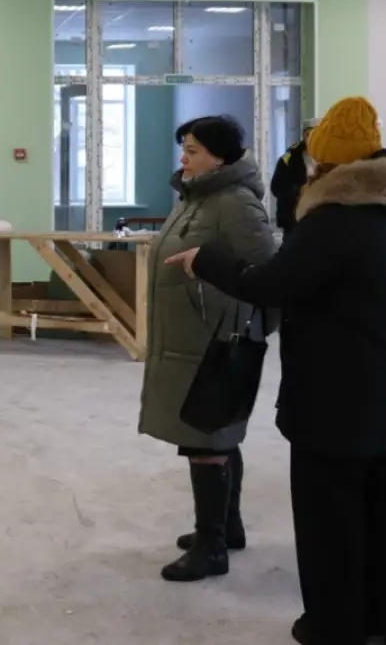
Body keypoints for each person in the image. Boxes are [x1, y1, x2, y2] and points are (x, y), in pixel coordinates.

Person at [169, 97, 386, 645]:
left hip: (335, 397)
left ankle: (334, 625)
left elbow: (271, 284)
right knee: (384, 510)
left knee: (329, 519)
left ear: (331, 163)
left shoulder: (335, 220)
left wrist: (205, 260)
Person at [138, 115, 277, 583]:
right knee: (210, 434)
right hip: (189, 339)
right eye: (184, 149)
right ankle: (226, 527)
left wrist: (246, 331)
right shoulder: (196, 197)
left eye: (193, 150)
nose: (184, 158)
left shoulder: (235, 204)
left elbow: (268, 277)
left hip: (216, 339)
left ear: (220, 157)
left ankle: (211, 546)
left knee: (208, 437)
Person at [270, 118, 320, 236]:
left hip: (320, 218)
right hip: (294, 219)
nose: (311, 139)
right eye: (308, 135)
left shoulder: (330, 157)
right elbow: (276, 187)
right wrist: (299, 191)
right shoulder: (290, 158)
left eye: (316, 135)